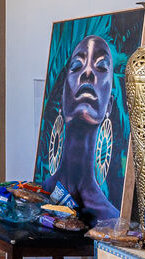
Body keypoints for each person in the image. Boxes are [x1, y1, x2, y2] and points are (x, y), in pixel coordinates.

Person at [42, 35, 120, 221]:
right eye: (77, 65)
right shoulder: (41, 194)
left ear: (109, 105)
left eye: (101, 66)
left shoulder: (111, 217)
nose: (88, 73)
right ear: (62, 99)